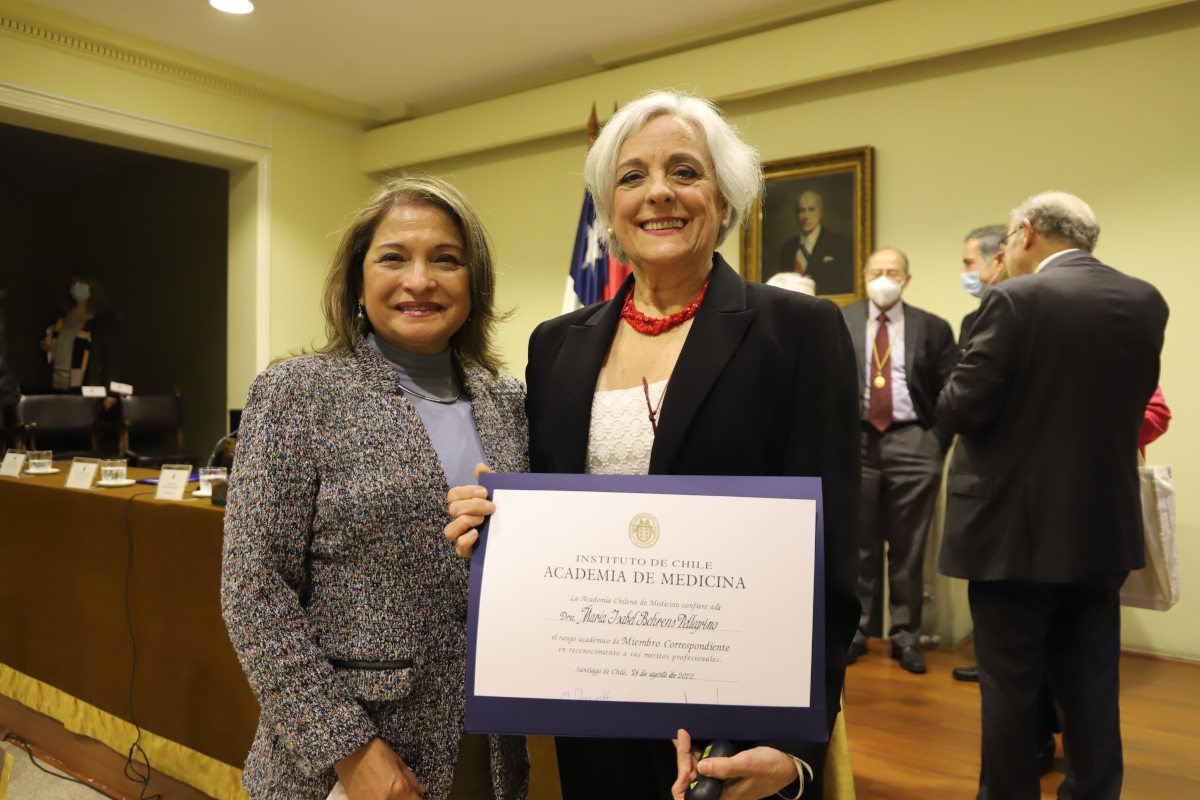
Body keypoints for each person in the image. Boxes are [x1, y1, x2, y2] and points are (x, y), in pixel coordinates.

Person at [447, 89, 861, 800]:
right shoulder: (555, 347)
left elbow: (831, 556)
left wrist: (794, 747)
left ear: (725, 201)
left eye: (685, 172)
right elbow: (553, 519)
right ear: (609, 208)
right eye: (632, 177)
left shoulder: (798, 330)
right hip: (589, 701)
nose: (658, 193)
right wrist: (492, 527)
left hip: (735, 720)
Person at [221, 176, 530, 800]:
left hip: (484, 748)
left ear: (475, 283)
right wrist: (349, 751)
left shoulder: (508, 403)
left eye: (446, 259)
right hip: (341, 761)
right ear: (357, 283)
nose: (420, 280)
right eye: (394, 257)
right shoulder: (296, 394)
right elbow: (253, 591)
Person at [938, 191, 1168, 800]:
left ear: (1025, 232)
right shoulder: (1145, 299)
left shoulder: (1014, 298)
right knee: (1092, 679)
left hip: (1013, 528)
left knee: (1011, 684)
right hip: (1101, 524)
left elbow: (962, 406)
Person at [840, 249, 956, 674]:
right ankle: (856, 632)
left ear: (907, 280)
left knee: (909, 549)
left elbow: (951, 393)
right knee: (859, 545)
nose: (884, 279)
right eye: (877, 271)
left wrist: (935, 443)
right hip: (856, 442)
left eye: (892, 273)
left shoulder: (933, 327)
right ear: (864, 275)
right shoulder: (841, 320)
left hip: (914, 440)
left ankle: (905, 636)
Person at [40, 275, 118, 403]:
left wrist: (111, 392)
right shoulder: (62, 316)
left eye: (81, 284)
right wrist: (47, 348)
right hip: (56, 382)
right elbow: (54, 344)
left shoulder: (101, 319)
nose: (76, 288)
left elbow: (110, 355)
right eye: (74, 284)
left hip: (84, 384)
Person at [776, 190, 855, 294]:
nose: (806, 216)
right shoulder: (788, 248)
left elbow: (847, 287)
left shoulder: (839, 244)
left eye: (811, 209)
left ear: (821, 212)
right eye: (801, 210)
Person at [957, 225, 1008, 354]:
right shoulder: (970, 321)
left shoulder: (1026, 314)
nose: (963, 272)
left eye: (969, 263)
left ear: (999, 261)